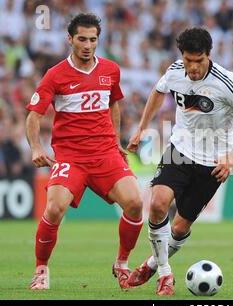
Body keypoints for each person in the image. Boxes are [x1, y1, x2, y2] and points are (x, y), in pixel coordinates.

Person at [126, 27, 233, 295]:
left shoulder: (227, 82)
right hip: (180, 149)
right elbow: (158, 91)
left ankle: (153, 262)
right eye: (188, 60)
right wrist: (142, 127)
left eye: (198, 61)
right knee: (156, 205)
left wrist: (232, 157)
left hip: (213, 162)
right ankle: (166, 275)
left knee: (179, 228)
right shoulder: (175, 71)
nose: (192, 67)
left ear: (208, 56)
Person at [25, 13, 143, 290]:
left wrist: (115, 140)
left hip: (105, 154)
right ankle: (41, 270)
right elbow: (33, 115)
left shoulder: (111, 70)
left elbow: (113, 104)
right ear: (70, 39)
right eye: (82, 39)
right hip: (70, 156)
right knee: (54, 208)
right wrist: (35, 147)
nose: (88, 45)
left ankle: (122, 264)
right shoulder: (55, 75)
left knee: (136, 204)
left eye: (93, 40)